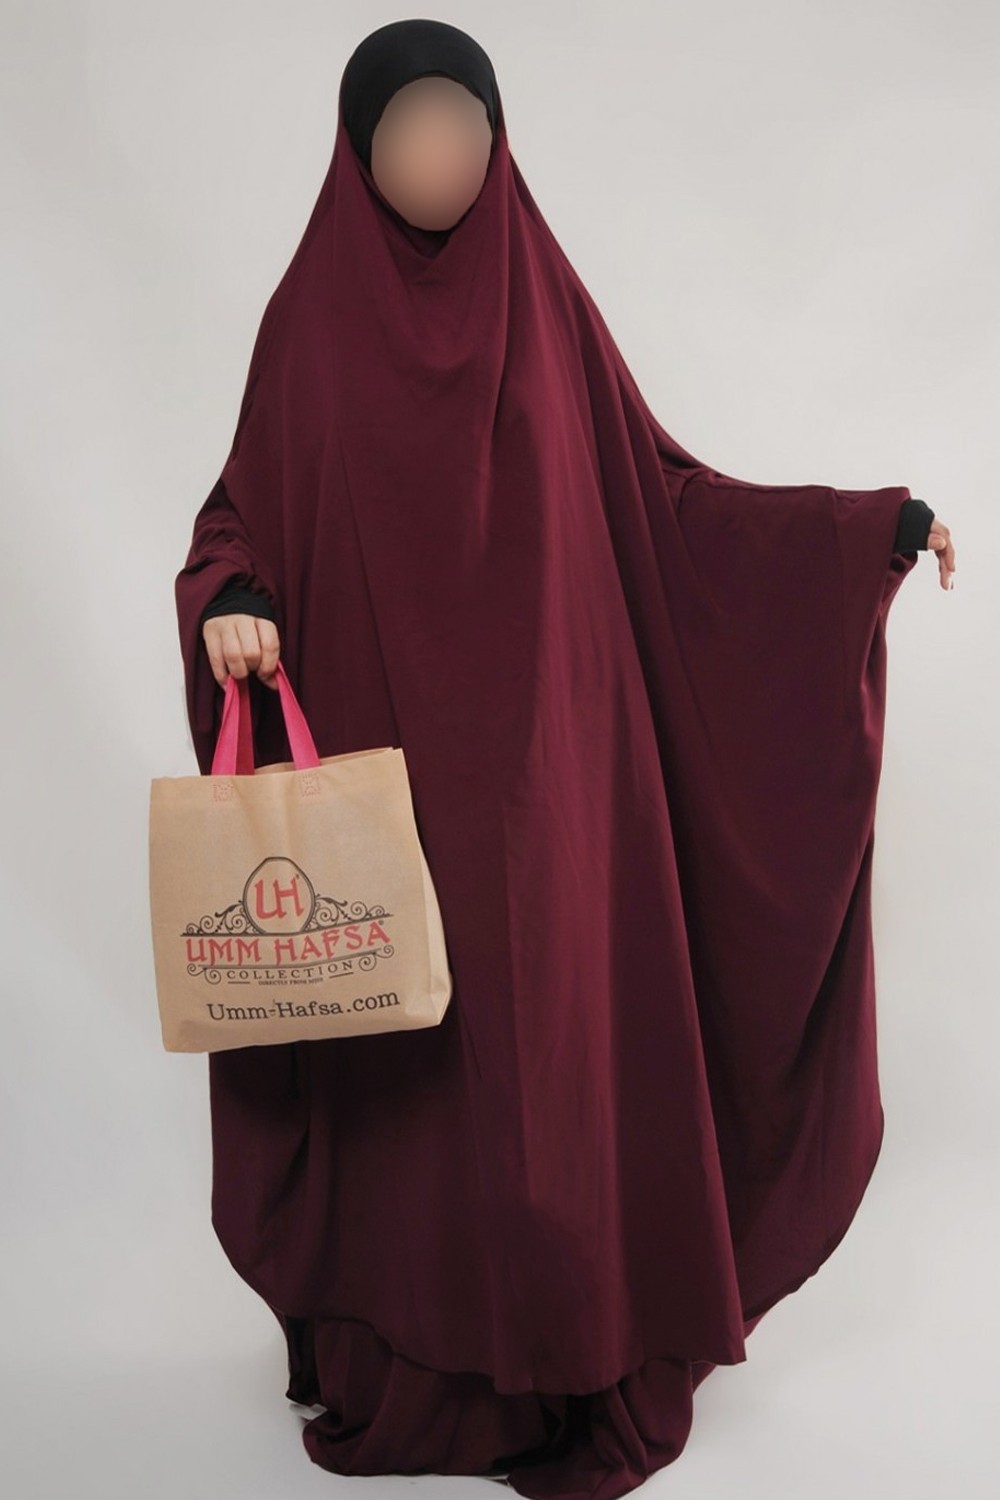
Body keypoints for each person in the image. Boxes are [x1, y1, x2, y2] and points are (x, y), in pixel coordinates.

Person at [174, 19, 956, 1500]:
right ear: (355, 151)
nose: (440, 157)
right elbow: (237, 517)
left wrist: (863, 533)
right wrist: (232, 600)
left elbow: (665, 501)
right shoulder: (310, 326)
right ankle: (420, 1366)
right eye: (407, 131)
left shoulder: (545, 302)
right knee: (412, 1067)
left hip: (558, 788)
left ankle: (575, 1348)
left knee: (555, 1062)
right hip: (389, 783)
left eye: (463, 128)